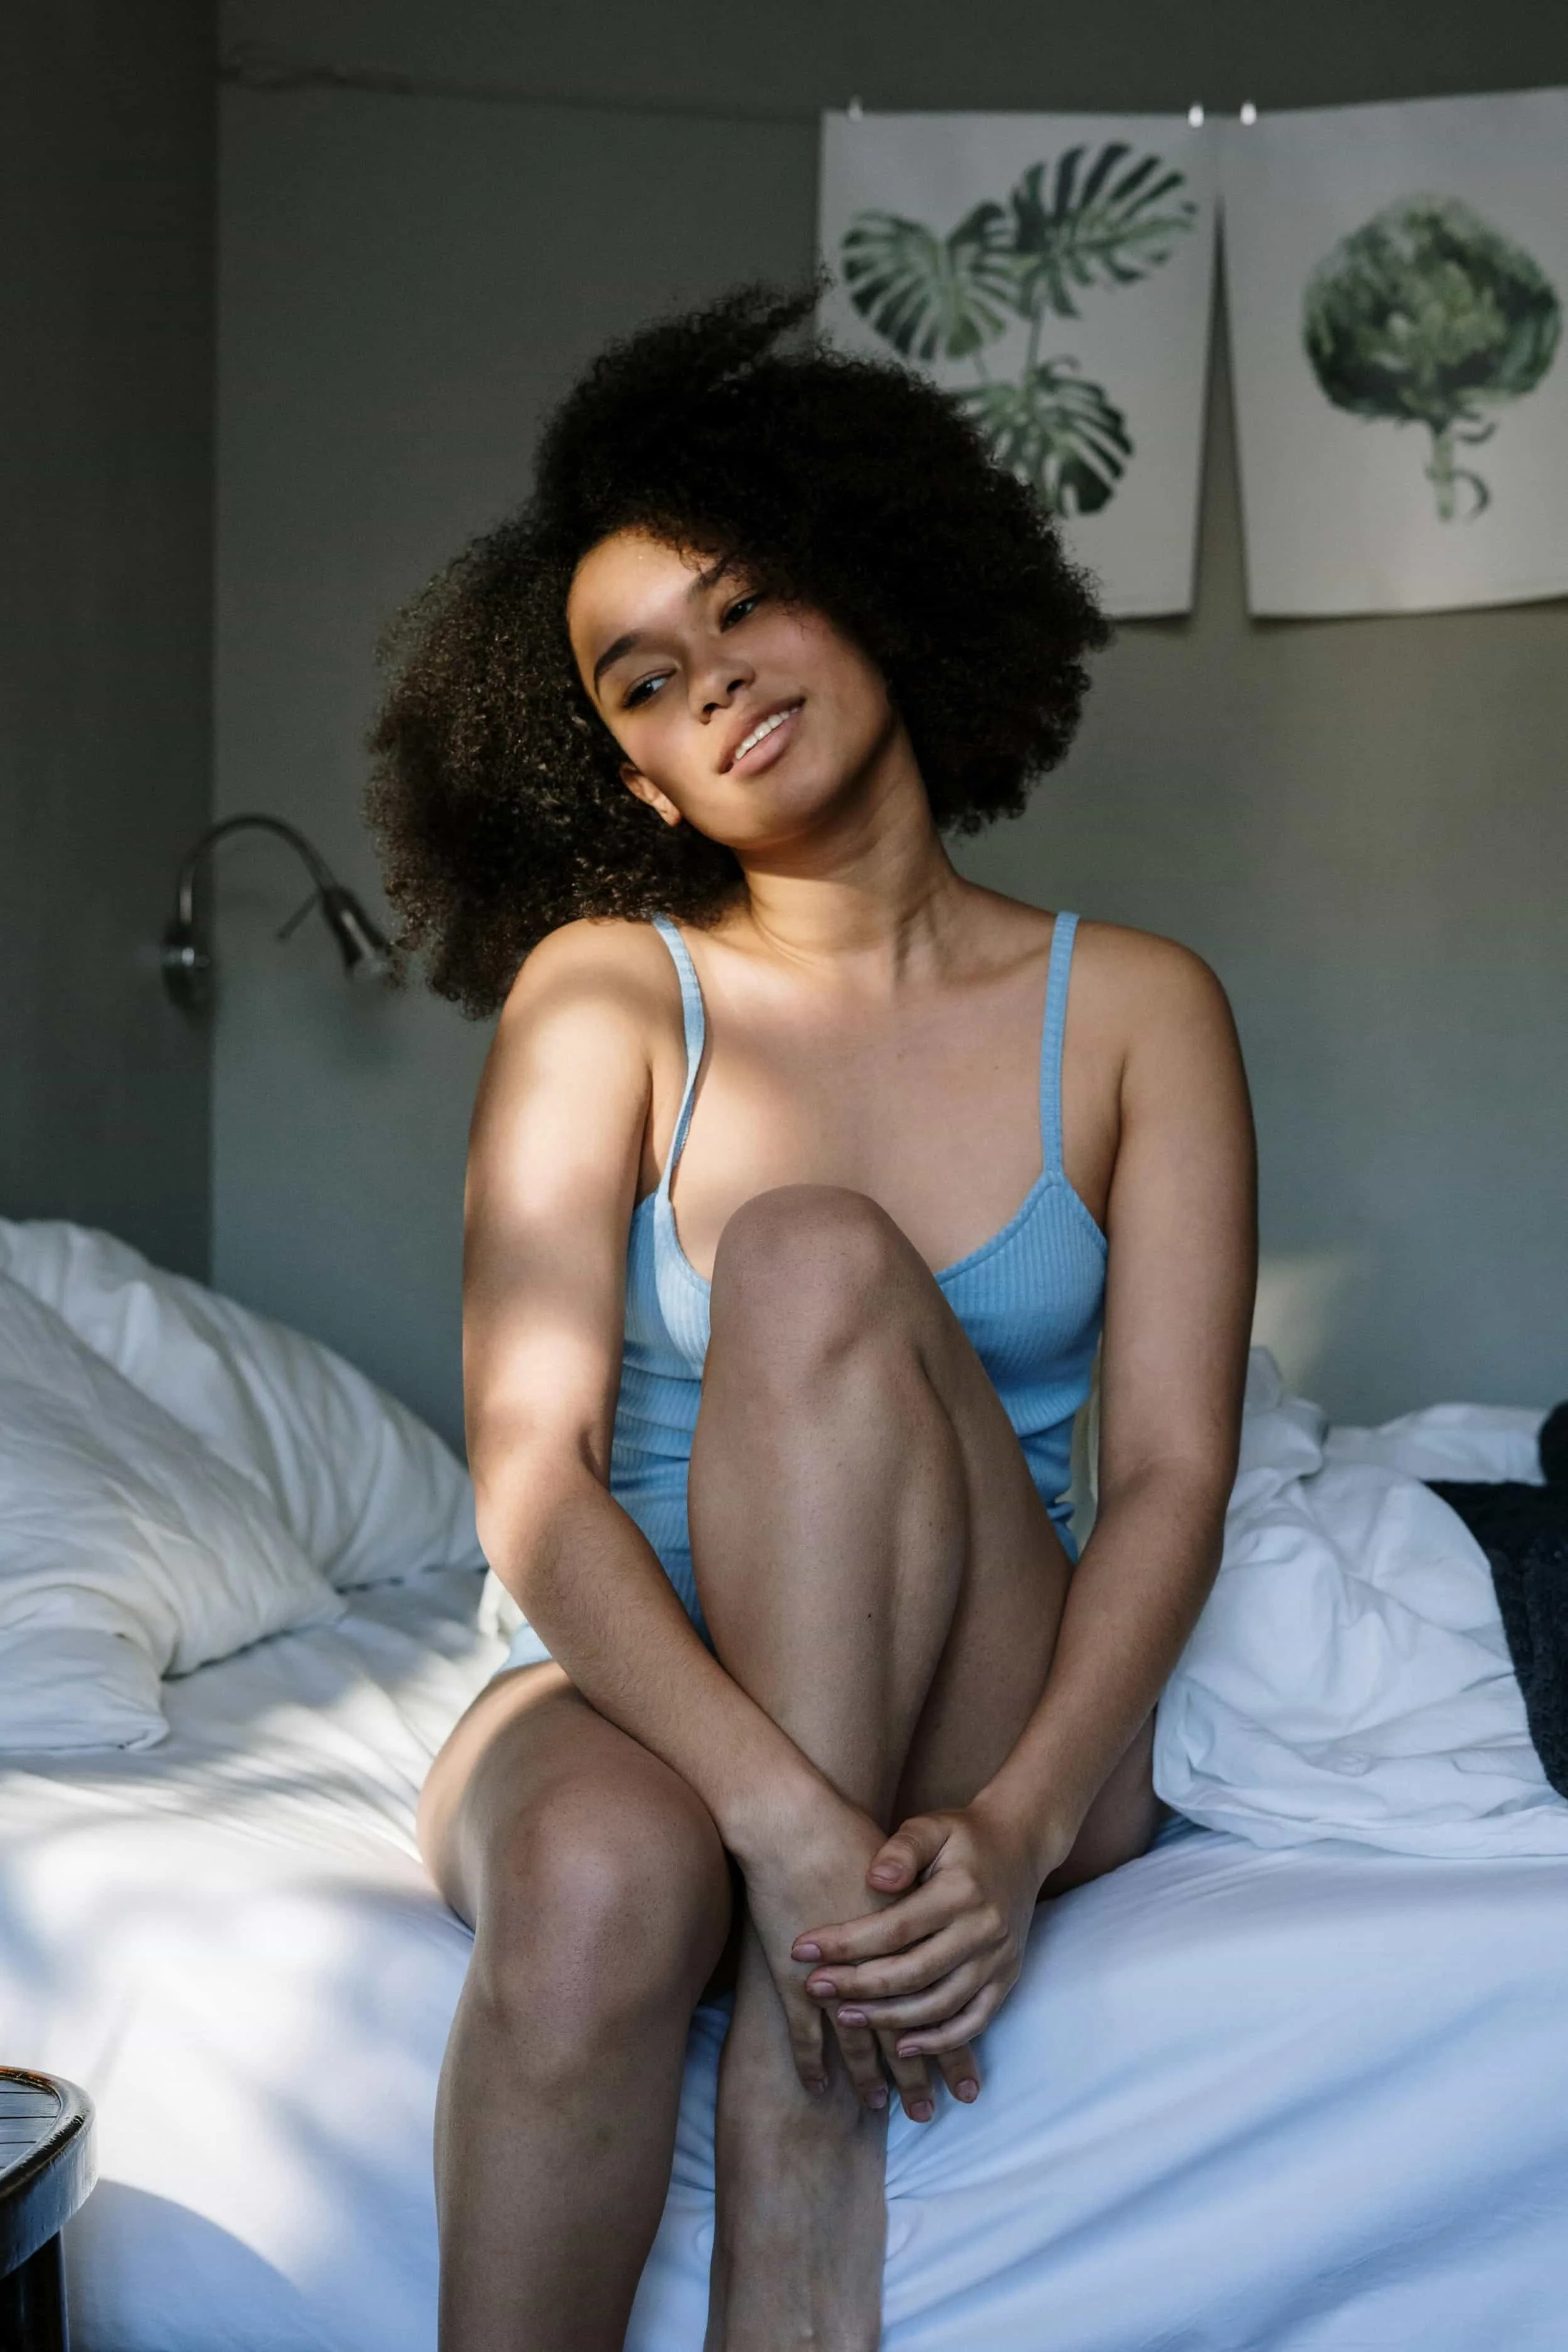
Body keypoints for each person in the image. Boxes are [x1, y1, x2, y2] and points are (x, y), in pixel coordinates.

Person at [366, 282, 1257, 2352]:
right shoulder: (606, 989)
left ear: (864, 587)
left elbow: (1169, 1477)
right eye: (643, 682)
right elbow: (530, 1470)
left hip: (986, 1687)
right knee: (595, 1887)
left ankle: (799, 2116)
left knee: (807, 1251)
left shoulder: (1132, 1006)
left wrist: (1024, 1827)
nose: (717, 685)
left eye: (744, 603)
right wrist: (772, 1817)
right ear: (640, 784)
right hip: (641, 1682)